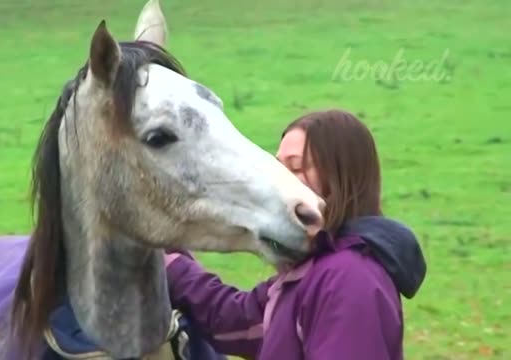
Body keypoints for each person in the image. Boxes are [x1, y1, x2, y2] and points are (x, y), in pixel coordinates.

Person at [164, 109, 427, 360]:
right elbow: (232, 319)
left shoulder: (349, 278)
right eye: (279, 167)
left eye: (297, 167)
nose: (281, 181)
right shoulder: (313, 270)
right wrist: (170, 261)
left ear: (340, 177)